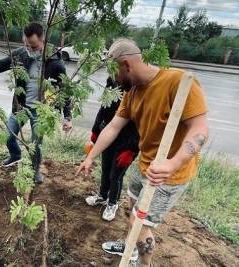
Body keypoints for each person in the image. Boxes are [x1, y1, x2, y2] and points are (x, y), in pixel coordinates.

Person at [77, 38, 209, 267]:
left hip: (168, 175)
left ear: (127, 65)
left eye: (115, 74)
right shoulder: (131, 92)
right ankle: (129, 245)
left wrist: (172, 164)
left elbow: (200, 129)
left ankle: (142, 263)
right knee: (132, 208)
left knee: (142, 223)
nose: (114, 80)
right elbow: (114, 127)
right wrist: (91, 156)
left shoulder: (178, 82)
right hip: (145, 164)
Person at [0, 22, 72, 183]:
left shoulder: (55, 62)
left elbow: (64, 90)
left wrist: (67, 116)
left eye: (33, 45)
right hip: (21, 106)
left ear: (43, 39)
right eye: (27, 44)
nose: (29, 48)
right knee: (10, 136)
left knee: (36, 144)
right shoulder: (20, 55)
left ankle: (34, 169)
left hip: (41, 110)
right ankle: (15, 155)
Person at [85, 77, 139, 221]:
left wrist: (132, 149)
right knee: (106, 168)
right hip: (108, 136)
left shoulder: (136, 89)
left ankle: (113, 203)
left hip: (126, 142)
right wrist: (96, 132)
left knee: (116, 175)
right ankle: (102, 196)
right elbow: (103, 110)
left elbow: (141, 124)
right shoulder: (111, 85)